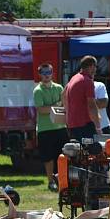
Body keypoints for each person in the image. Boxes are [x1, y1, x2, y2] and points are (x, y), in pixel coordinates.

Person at [33, 62, 69, 191]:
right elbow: (41, 109)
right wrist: (56, 105)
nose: (47, 75)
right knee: (48, 158)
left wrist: (52, 106)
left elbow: (64, 105)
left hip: (61, 127)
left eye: (49, 72)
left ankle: (62, 180)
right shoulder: (38, 90)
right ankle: (50, 181)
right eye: (44, 73)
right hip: (45, 129)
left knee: (63, 156)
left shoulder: (59, 88)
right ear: (40, 75)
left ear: (52, 73)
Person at [63, 55, 101, 140]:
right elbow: (91, 105)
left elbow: (63, 94)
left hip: (73, 125)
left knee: (79, 151)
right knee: (92, 150)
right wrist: (98, 127)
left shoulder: (74, 78)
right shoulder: (87, 81)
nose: (96, 70)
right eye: (95, 67)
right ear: (91, 66)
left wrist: (68, 115)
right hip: (84, 125)